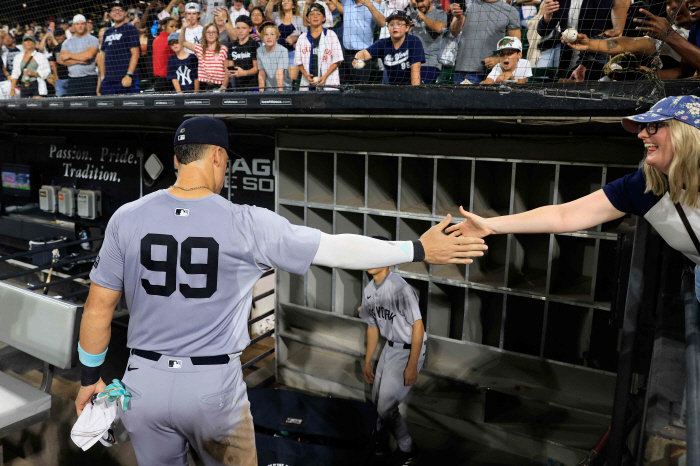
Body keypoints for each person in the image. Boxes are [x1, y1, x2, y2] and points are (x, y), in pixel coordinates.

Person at [73, 115, 484, 466]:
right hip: (210, 388)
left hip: (142, 385)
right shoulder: (246, 221)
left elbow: (97, 311)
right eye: (226, 162)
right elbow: (336, 247)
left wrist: (89, 377)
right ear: (217, 156)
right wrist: (417, 248)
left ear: (178, 158)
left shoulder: (127, 217)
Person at [448, 95, 700, 305]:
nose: (641, 135)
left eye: (652, 127)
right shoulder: (644, 185)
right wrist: (491, 225)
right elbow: (563, 215)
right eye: (642, 128)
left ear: (684, 132)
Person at [360, 237, 426, 466]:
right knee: (377, 399)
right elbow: (372, 326)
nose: (370, 259)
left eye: (377, 254)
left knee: (386, 406)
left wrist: (412, 365)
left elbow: (418, 327)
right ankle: (381, 441)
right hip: (390, 348)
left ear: (388, 259)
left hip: (408, 351)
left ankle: (408, 448)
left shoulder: (400, 288)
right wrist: (368, 361)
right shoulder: (369, 290)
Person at [536, 0, 621, 81]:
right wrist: (546, 16)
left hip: (593, 62)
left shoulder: (601, 1)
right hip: (567, 61)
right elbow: (543, 31)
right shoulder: (562, 1)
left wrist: (583, 64)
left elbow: (599, 34)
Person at [449, 0, 520, 84]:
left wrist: (498, 59)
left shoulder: (510, 11)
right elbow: (454, 32)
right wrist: (458, 18)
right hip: (466, 70)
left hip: (495, 72)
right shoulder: (469, 4)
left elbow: (516, 45)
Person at [353, 11, 424, 85]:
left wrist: (415, 92)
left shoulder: (414, 41)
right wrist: (357, 57)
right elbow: (364, 53)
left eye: (399, 24)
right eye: (391, 24)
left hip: (408, 88)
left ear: (407, 27)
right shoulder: (383, 43)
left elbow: (415, 68)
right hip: (388, 89)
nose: (395, 27)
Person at [327, 0, 386, 84]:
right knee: (342, 88)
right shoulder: (347, 2)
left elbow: (383, 23)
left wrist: (369, 5)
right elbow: (344, 11)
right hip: (345, 53)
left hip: (362, 55)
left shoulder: (374, 5)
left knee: (360, 90)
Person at [294, 2, 343, 90]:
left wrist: (325, 76)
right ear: (307, 19)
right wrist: (306, 76)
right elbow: (299, 62)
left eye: (318, 14)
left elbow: (337, 60)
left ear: (324, 18)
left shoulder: (331, 35)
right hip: (307, 83)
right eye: (312, 14)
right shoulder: (302, 38)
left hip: (329, 82)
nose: (315, 16)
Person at [98, 0, 140, 96]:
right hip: (109, 81)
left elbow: (135, 53)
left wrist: (129, 75)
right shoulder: (107, 32)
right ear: (110, 14)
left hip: (126, 80)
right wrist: (102, 77)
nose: (117, 12)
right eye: (114, 10)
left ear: (125, 13)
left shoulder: (130, 29)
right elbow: (102, 56)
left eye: (120, 10)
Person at [265, 0, 306, 86]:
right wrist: (271, 1)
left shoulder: (299, 19)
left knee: (290, 83)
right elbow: (267, 14)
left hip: (293, 54)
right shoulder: (277, 17)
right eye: (283, 1)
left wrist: (295, 38)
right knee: (277, 83)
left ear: (293, 6)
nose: (285, 2)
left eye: (288, 1)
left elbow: (305, 36)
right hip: (277, 55)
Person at [179, 22, 229, 91]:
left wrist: (223, 87)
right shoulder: (199, 48)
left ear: (217, 34)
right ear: (204, 34)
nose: (211, 34)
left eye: (213, 32)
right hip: (204, 87)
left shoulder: (223, 49)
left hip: (220, 86)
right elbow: (182, 42)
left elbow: (227, 71)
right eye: (208, 32)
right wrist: (183, 28)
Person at [407, 0, 446, 84]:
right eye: (418, 1)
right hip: (411, 63)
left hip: (429, 64)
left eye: (422, 1)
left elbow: (439, 28)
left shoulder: (440, 13)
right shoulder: (412, 15)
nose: (420, 4)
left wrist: (424, 17)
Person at [60, 15, 100, 96]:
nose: (80, 26)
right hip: (73, 79)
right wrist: (80, 60)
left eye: (82, 23)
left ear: (85, 25)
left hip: (90, 79)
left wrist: (69, 55)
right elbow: (62, 60)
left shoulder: (93, 39)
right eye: (77, 24)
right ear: (73, 26)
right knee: (73, 106)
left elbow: (88, 55)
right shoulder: (67, 42)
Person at [225, 16, 259, 90]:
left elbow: (256, 68)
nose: (240, 31)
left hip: (253, 86)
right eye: (238, 28)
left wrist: (243, 73)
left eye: (244, 28)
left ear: (250, 29)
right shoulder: (231, 45)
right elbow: (231, 66)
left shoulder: (254, 44)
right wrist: (230, 73)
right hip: (238, 86)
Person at [257, 22, 288, 90]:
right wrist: (260, 93)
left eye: (272, 34)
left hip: (284, 88)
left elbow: (279, 73)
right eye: (266, 34)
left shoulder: (283, 50)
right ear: (262, 37)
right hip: (269, 89)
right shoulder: (259, 51)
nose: (269, 37)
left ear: (277, 37)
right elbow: (261, 74)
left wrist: (280, 94)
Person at [153, 17, 178, 92]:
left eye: (176, 26)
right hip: (169, 81)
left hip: (158, 81)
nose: (175, 29)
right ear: (163, 27)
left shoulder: (155, 40)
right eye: (171, 26)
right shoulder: (171, 42)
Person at [43, 29, 69, 97]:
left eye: (60, 35)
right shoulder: (56, 48)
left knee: (72, 99)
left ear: (64, 35)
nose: (59, 37)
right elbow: (54, 63)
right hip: (60, 78)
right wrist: (56, 77)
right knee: (60, 100)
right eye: (57, 36)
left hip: (70, 77)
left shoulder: (70, 45)